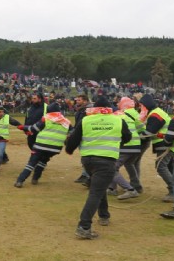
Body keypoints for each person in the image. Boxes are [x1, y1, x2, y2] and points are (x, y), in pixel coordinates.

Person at [65, 97, 131, 240]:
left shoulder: (86, 120)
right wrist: (116, 142)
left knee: (99, 187)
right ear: (109, 108)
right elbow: (128, 137)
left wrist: (69, 150)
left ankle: (104, 215)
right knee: (96, 192)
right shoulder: (118, 120)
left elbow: (73, 141)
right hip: (106, 160)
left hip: (88, 161)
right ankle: (84, 226)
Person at [15, 103, 71, 188]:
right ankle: (35, 179)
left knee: (32, 163)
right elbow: (72, 132)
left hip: (41, 145)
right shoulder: (66, 121)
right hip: (55, 148)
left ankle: (20, 181)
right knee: (43, 161)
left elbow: (34, 128)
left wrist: (23, 127)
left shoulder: (46, 118)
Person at [138, 94, 174, 202]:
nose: (140, 108)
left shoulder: (155, 115)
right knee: (168, 167)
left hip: (164, 143)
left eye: (141, 106)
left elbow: (148, 133)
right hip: (166, 142)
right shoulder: (157, 112)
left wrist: (135, 137)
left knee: (161, 167)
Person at [71, 95, 91, 184]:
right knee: (84, 155)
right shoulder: (81, 110)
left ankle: (88, 176)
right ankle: (84, 174)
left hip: (85, 135)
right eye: (77, 100)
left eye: (79, 100)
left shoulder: (88, 110)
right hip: (80, 134)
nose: (77, 101)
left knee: (86, 156)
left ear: (85, 101)